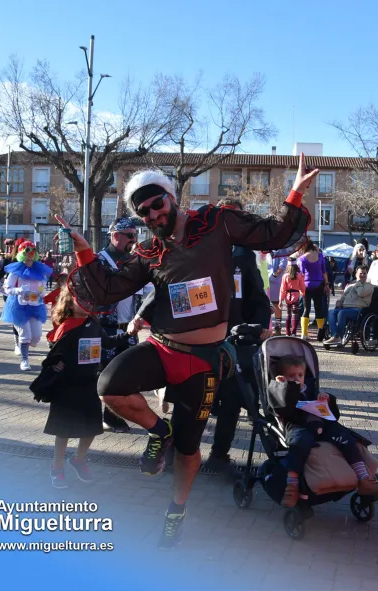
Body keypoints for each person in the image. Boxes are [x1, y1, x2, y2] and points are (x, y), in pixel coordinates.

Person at [58, 154, 314, 547]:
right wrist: (84, 253)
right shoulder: (148, 252)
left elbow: (275, 234)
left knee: (190, 449)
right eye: (143, 212)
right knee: (109, 386)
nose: (152, 215)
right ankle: (161, 432)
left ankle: (176, 508)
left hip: (204, 361)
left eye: (156, 204)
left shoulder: (215, 222)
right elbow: (108, 290)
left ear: (170, 196)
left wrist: (295, 191)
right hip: (163, 347)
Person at [202, 197, 273, 478]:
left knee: (232, 401)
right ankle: (175, 451)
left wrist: (260, 327)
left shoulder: (245, 256)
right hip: (202, 339)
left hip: (235, 341)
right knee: (195, 401)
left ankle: (218, 456)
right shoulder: (201, 249)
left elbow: (259, 298)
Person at [35, 289, 131, 489]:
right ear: (69, 305)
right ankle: (57, 468)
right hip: (67, 386)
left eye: (90, 301)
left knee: (91, 428)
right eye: (83, 301)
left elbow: (107, 343)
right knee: (63, 431)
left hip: (89, 382)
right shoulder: (66, 327)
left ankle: (78, 460)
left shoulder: (94, 324)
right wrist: (55, 364)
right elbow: (53, 353)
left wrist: (129, 334)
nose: (88, 304)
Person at [274, 355, 378, 508]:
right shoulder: (281, 388)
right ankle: (292, 485)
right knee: (300, 442)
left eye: (300, 375)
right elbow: (280, 409)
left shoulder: (310, 386)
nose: (297, 379)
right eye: (291, 375)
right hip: (297, 425)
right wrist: (282, 387)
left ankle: (364, 478)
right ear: (283, 376)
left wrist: (325, 398)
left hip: (320, 422)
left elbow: (328, 410)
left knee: (345, 437)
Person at [96, 217, 140, 433]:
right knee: (104, 373)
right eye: (130, 235)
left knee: (124, 374)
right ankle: (104, 417)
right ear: (115, 236)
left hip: (129, 327)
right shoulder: (99, 261)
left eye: (135, 235)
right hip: (105, 327)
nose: (134, 240)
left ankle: (112, 415)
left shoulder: (133, 260)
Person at [1, 241, 52, 371]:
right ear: (22, 253)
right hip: (19, 306)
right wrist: (19, 290)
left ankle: (26, 344)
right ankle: (24, 360)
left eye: (32, 251)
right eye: (27, 251)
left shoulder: (39, 268)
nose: (30, 254)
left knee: (36, 336)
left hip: (35, 305)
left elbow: (43, 284)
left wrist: (41, 291)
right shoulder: (16, 269)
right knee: (26, 335)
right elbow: (7, 288)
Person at [323, 265, 373, 346]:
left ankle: (338, 336)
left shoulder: (369, 286)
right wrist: (339, 301)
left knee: (342, 313)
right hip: (345, 307)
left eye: (364, 274)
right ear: (356, 274)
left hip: (358, 310)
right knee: (331, 312)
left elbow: (361, 293)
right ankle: (335, 335)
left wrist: (358, 283)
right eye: (361, 273)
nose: (363, 275)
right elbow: (343, 297)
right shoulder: (350, 287)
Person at [297, 240, 330, 341]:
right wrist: (327, 284)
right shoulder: (320, 256)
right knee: (318, 308)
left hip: (306, 285)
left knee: (306, 309)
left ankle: (304, 334)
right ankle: (320, 333)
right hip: (318, 284)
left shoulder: (302, 258)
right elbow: (324, 272)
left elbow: (301, 274)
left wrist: (300, 287)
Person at [279, 262, 306, 336]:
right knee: (295, 314)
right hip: (296, 296)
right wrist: (303, 294)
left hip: (288, 296)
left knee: (288, 314)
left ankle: (288, 332)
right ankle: (294, 332)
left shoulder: (285, 276)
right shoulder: (299, 275)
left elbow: (282, 289)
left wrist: (281, 300)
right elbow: (302, 286)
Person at [267, 251, 287, 335]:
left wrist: (275, 274)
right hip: (265, 280)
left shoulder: (281, 250)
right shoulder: (265, 248)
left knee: (276, 305)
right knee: (265, 305)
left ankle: (278, 328)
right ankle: (267, 327)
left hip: (276, 282)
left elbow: (283, 264)